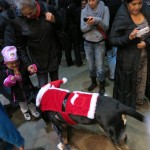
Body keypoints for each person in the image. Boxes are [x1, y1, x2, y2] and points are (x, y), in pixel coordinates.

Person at [5, 0, 62, 87]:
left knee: (56, 86)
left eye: (30, 13)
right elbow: (20, 46)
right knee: (43, 89)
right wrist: (28, 64)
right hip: (38, 61)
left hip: (54, 55)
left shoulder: (47, 9)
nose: (28, 16)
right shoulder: (19, 21)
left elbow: (62, 27)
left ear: (36, 6)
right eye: (25, 14)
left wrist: (55, 20)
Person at [110, 0, 150, 109]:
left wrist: (146, 43)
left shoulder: (146, 10)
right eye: (133, 4)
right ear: (127, 3)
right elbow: (113, 40)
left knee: (142, 80)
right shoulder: (121, 16)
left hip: (145, 59)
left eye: (140, 3)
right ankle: (129, 106)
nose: (137, 7)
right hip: (128, 61)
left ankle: (139, 100)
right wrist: (129, 38)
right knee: (128, 85)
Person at [1, 46, 40, 121]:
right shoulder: (7, 72)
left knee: (31, 101)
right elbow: (6, 84)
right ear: (6, 63)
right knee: (22, 104)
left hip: (27, 88)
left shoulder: (23, 67)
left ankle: (33, 110)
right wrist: (10, 80)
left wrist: (32, 69)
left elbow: (29, 73)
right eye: (11, 64)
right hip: (17, 92)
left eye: (16, 62)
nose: (15, 65)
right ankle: (25, 112)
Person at [80, 0, 109, 95]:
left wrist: (97, 20)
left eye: (92, 0)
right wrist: (89, 24)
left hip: (99, 42)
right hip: (87, 42)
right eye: (88, 0)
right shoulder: (84, 11)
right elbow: (82, 29)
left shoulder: (105, 9)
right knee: (91, 67)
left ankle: (102, 85)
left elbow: (106, 27)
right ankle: (93, 82)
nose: (90, 2)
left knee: (100, 67)